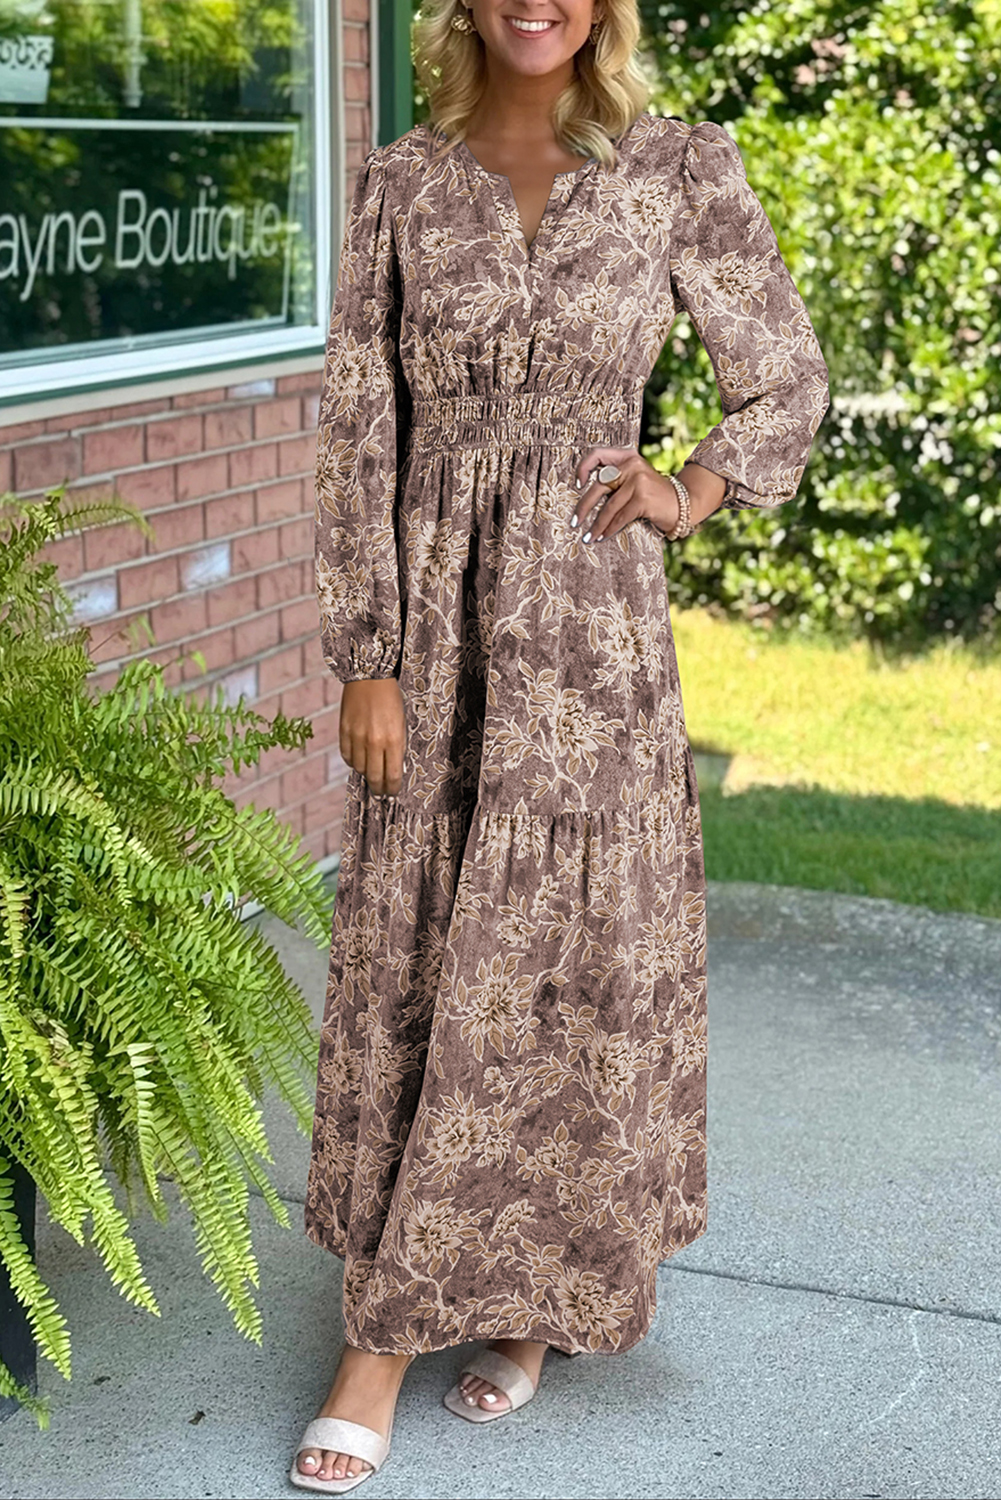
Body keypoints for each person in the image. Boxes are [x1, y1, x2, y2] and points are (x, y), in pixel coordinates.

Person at [290, 0, 830, 1488]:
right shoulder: (402, 181)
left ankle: (530, 1302)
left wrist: (687, 490)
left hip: (591, 638)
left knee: (566, 961)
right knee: (427, 957)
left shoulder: (677, 166)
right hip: (437, 632)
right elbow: (358, 429)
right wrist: (369, 657)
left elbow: (783, 371)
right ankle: (383, 1332)